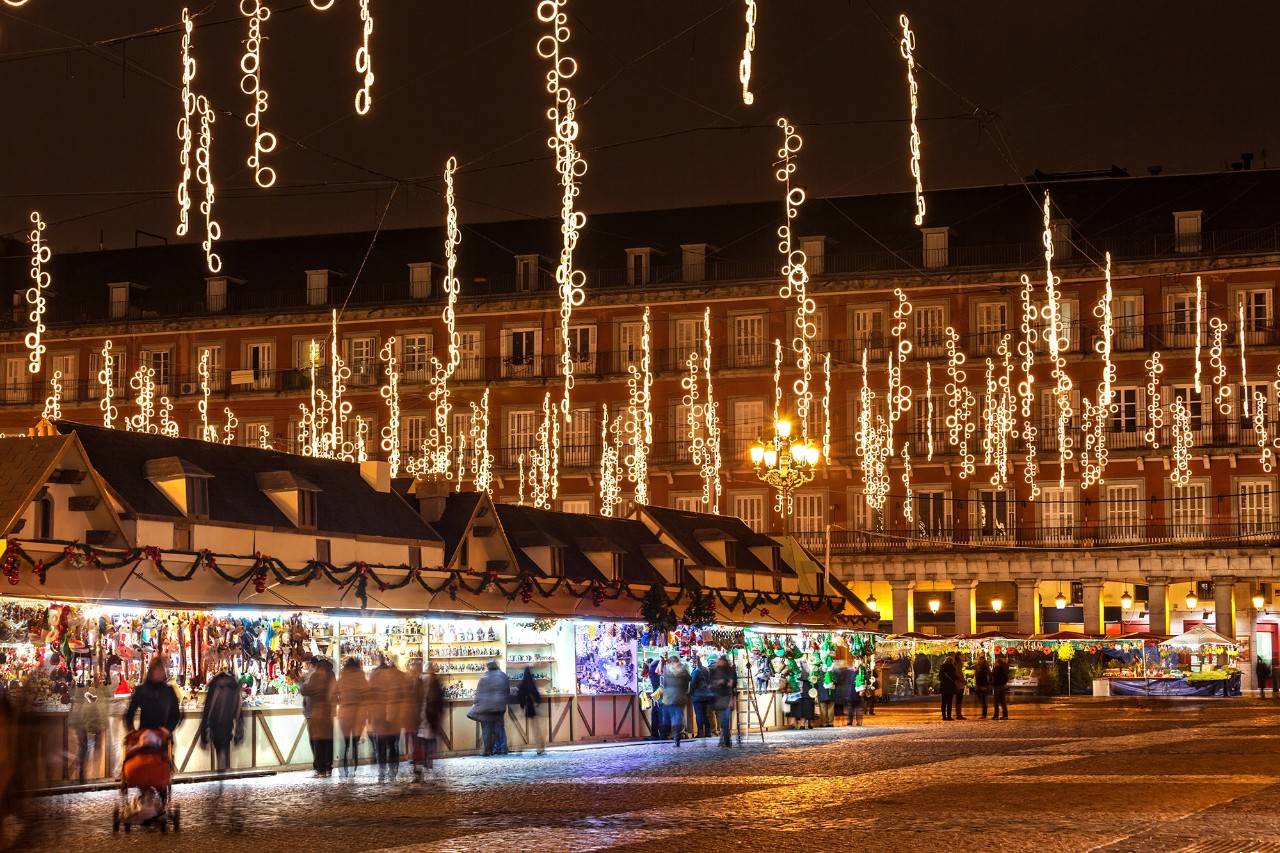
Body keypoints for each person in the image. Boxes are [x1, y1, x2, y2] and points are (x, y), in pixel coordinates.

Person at [197, 667, 243, 773]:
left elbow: (208, 708)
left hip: (216, 722)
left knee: (219, 746)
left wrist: (204, 734)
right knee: (225, 744)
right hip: (228, 722)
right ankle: (223, 767)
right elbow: (238, 708)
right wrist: (239, 732)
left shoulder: (215, 684)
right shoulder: (233, 683)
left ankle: (221, 768)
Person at [367, 657, 405, 779]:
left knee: (381, 745)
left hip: (380, 716)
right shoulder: (395, 677)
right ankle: (392, 771)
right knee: (393, 744)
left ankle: (382, 770)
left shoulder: (374, 676)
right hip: (392, 716)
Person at [68, 676, 109, 783]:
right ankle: (85, 774)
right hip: (83, 720)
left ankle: (84, 774)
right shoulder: (88, 687)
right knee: (86, 746)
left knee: (85, 746)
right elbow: (93, 704)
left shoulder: (83, 685)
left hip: (82, 719)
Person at [300, 657, 337, 777]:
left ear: (317, 666)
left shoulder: (317, 675)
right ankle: (328, 766)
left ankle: (320, 768)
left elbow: (307, 690)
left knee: (318, 741)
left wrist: (301, 682)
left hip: (317, 712)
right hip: (328, 712)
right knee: (328, 740)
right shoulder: (331, 675)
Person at [126, 656, 181, 734]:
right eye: (158, 669)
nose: (160, 672)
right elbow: (130, 713)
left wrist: (168, 729)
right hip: (145, 736)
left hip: (163, 737)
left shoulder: (169, 690)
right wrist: (133, 733)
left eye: (162, 670)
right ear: (152, 670)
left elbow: (176, 714)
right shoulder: (142, 690)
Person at [470, 660, 510, 757]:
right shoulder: (503, 676)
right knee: (499, 728)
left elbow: (478, 693)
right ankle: (502, 748)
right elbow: (507, 691)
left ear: (488, 667)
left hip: (486, 708)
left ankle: (487, 750)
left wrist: (475, 703)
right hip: (499, 707)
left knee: (487, 729)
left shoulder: (484, 677)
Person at [336, 657, 367, 776]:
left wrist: (341, 701)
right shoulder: (361, 677)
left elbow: (335, 693)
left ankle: (344, 767)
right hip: (359, 713)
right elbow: (366, 695)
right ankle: (354, 766)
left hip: (345, 713)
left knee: (345, 742)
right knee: (355, 742)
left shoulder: (343, 677)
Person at [414, 663, 445, 778]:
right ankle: (429, 762)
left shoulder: (419, 680)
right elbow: (440, 701)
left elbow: (415, 697)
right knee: (430, 740)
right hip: (431, 715)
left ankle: (420, 763)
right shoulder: (436, 681)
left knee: (420, 740)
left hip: (421, 714)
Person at [660, 656, 690, 746]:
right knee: (677, 717)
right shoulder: (684, 671)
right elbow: (687, 684)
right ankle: (677, 736)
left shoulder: (667, 672)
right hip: (680, 697)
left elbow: (664, 685)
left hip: (670, 697)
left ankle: (675, 735)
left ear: (671, 663)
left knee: (672, 717)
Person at [516, 666, 545, 754]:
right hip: (532, 708)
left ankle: (519, 748)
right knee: (536, 729)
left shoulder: (521, 685)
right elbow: (537, 696)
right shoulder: (532, 684)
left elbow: (519, 696)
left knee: (522, 730)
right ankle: (540, 748)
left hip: (525, 708)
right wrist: (538, 703)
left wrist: (521, 706)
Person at [709, 655, 737, 747]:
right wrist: (720, 683)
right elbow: (711, 684)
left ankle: (725, 740)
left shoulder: (730, 671)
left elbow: (733, 684)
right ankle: (725, 740)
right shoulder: (715, 671)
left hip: (726, 697)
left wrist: (725, 682)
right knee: (724, 720)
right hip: (719, 698)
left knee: (725, 720)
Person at [688, 656, 713, 738]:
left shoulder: (696, 671)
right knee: (706, 714)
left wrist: (690, 693)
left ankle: (701, 732)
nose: (691, 663)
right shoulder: (706, 669)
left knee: (699, 714)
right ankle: (708, 732)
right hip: (707, 695)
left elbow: (693, 684)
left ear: (695, 662)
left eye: (692, 662)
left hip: (698, 696)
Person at [789, 663, 817, 730]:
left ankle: (800, 724)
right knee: (805, 710)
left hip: (799, 695)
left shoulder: (797, 673)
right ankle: (802, 724)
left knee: (800, 710)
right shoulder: (809, 674)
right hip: (805, 695)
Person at [937, 654, 957, 720]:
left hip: (944, 686)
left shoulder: (942, 667)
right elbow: (954, 677)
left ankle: (944, 716)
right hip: (950, 686)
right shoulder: (953, 668)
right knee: (949, 702)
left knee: (943, 702)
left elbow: (940, 677)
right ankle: (949, 716)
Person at [973, 654, 992, 720]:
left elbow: (986, 677)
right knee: (982, 700)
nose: (979, 661)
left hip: (983, 685)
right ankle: (984, 714)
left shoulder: (984, 668)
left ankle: (984, 714)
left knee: (983, 700)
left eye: (980, 659)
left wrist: (986, 685)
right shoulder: (978, 667)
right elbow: (977, 676)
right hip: (980, 685)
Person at [992, 655, 1010, 720]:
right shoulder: (1003, 669)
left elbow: (994, 677)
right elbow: (1006, 678)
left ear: (998, 663)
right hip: (1001, 686)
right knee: (1002, 702)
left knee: (996, 702)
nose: (995, 663)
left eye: (996, 662)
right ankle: (1005, 715)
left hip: (997, 686)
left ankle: (996, 715)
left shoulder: (997, 669)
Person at [952, 654, 968, 720]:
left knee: (958, 699)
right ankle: (959, 714)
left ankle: (958, 714)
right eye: (962, 655)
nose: (963, 656)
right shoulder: (958, 664)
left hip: (958, 683)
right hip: (959, 684)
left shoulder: (956, 664)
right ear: (959, 656)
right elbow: (959, 674)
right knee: (959, 699)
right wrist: (963, 681)